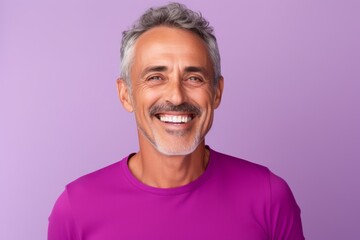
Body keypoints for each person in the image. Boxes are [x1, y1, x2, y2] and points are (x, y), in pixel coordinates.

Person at [48, 3, 305, 239]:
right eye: (156, 77)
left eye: (194, 78)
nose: (176, 96)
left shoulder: (268, 197)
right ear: (125, 94)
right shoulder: (76, 208)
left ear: (217, 92)